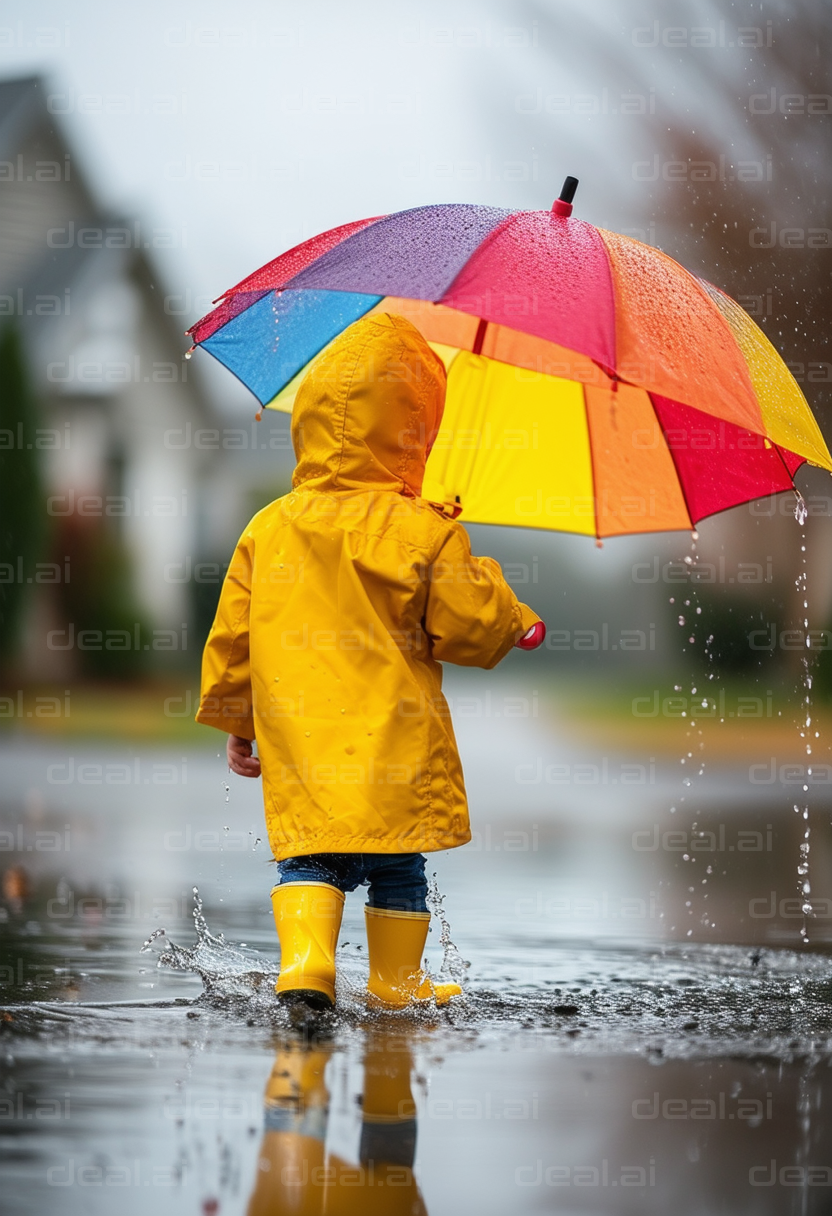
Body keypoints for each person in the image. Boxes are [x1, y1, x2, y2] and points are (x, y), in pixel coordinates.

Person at [197, 312, 545, 1011]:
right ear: (415, 428)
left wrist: (240, 719)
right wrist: (516, 617)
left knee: (308, 858)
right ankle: (395, 985)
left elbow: (235, 635)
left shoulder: (269, 525)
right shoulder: (422, 531)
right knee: (399, 867)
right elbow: (468, 623)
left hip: (303, 745)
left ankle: (304, 969)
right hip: (394, 747)